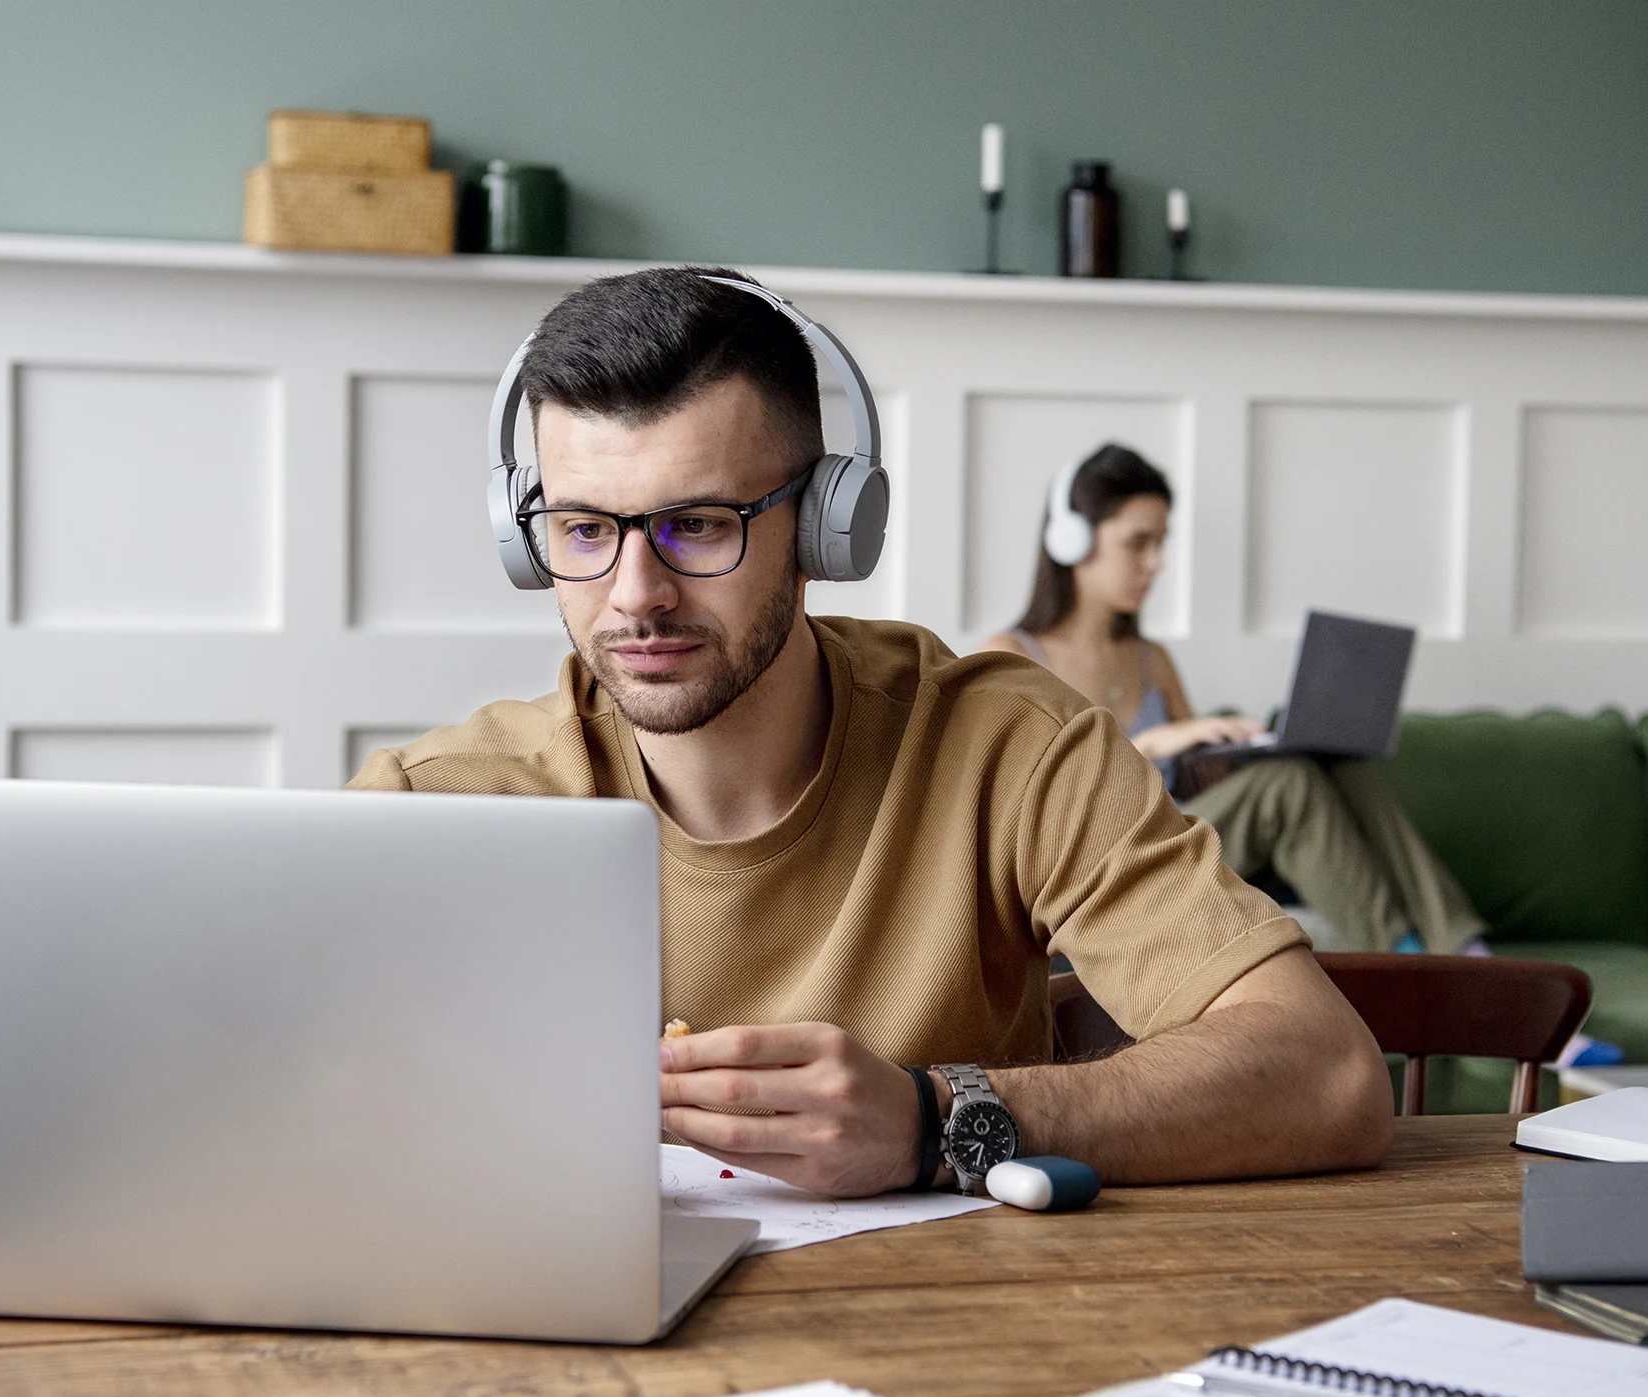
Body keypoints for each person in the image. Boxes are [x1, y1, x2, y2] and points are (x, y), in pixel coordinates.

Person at [349, 268, 1390, 1200]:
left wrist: (934, 1121)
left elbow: (1328, 1073)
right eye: (583, 529)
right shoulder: (430, 804)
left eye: (696, 525)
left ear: (824, 529)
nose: (634, 594)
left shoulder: (1012, 749)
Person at [980, 443, 1487, 958]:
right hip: (1102, 864)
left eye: (1161, 543)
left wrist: (1248, 751)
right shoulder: (1011, 657)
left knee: (1336, 765)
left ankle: (1464, 947)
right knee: (1286, 787)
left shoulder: (1152, 658)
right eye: (1137, 543)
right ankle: (1408, 958)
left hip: (1185, 838)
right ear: (1072, 540)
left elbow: (1206, 787)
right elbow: (1019, 812)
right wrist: (1149, 745)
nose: (1156, 563)